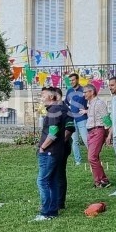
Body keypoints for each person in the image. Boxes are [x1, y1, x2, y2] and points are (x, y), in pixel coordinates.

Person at [33, 86, 70, 221]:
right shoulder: (55, 110)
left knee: (42, 181)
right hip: (55, 152)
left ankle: (45, 212)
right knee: (53, 181)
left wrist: (43, 147)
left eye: (43, 95)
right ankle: (53, 211)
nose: (41, 97)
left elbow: (53, 133)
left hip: (49, 152)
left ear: (52, 97)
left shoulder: (54, 110)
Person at [82, 84, 111, 187]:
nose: (83, 94)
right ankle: (101, 181)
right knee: (94, 157)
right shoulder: (90, 103)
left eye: (85, 92)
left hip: (98, 130)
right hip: (90, 132)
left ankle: (101, 180)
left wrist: (109, 135)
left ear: (92, 92)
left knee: (92, 157)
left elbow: (106, 119)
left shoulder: (99, 103)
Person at [65, 73, 89, 167]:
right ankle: (78, 160)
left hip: (82, 119)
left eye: (73, 80)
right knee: (75, 141)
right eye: (70, 81)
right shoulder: (69, 91)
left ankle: (92, 158)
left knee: (86, 140)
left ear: (77, 80)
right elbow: (66, 103)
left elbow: (91, 101)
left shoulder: (84, 90)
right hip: (72, 119)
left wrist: (87, 110)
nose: (71, 82)